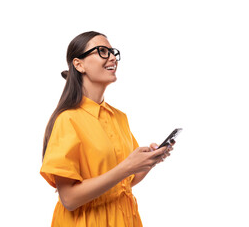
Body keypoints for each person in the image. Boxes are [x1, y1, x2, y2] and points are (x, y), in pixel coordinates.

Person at [40, 31, 174, 226]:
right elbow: (68, 199)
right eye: (102, 51)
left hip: (123, 219)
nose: (112, 58)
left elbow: (124, 182)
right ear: (79, 64)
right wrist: (126, 167)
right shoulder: (68, 119)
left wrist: (147, 162)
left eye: (112, 52)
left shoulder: (119, 117)